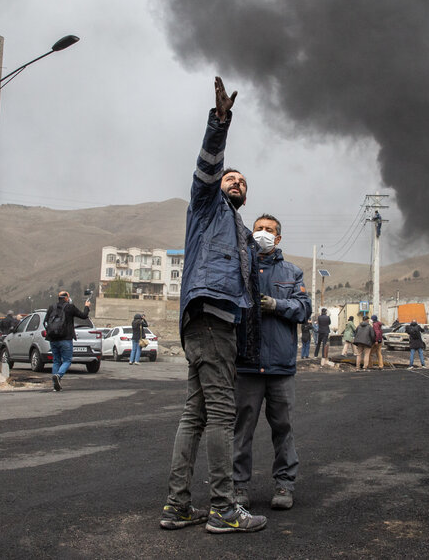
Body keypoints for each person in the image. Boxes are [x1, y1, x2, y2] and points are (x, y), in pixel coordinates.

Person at [161, 77, 267, 534]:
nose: (235, 181)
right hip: (210, 318)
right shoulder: (207, 207)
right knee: (222, 413)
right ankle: (224, 508)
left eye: (242, 181)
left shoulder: (242, 233)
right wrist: (220, 123)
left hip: (210, 323)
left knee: (196, 414)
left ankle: (178, 505)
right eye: (231, 177)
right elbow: (206, 168)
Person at [233, 214, 311, 512]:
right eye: (259, 229)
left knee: (284, 428)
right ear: (251, 234)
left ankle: (284, 484)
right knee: (242, 430)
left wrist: (277, 304)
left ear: (278, 239)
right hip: (247, 366)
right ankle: (238, 487)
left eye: (269, 230)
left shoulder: (292, 273)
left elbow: (304, 309)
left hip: (280, 367)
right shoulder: (239, 270)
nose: (263, 233)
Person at [44, 290, 91, 391]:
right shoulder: (70, 307)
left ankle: (55, 384)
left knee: (56, 361)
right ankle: (58, 376)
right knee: (67, 360)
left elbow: (45, 322)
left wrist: (50, 332)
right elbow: (84, 316)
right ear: (66, 298)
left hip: (53, 339)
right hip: (66, 338)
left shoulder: (52, 307)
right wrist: (87, 306)